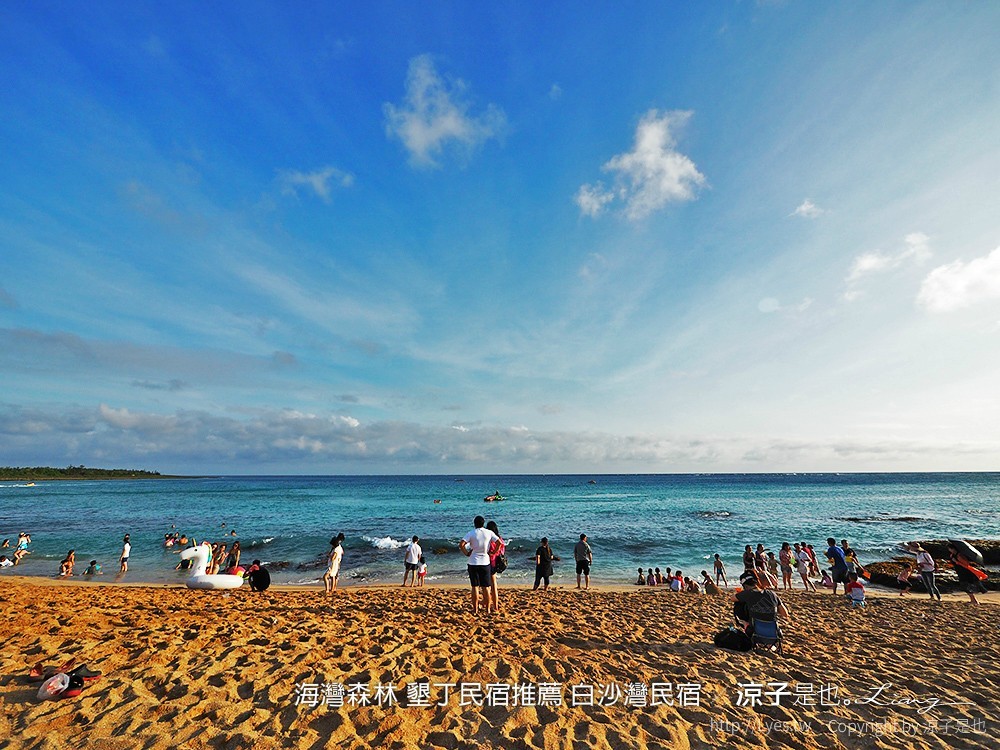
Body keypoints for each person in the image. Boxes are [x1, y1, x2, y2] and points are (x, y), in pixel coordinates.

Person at [459, 516, 499, 615]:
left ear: (474, 523)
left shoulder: (471, 533)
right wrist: (494, 552)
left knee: (475, 587)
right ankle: (488, 609)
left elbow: (461, 544)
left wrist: (466, 553)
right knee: (486, 587)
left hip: (473, 562)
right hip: (485, 562)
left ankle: (475, 609)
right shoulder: (488, 532)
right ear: (483, 523)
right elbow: (499, 542)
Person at [733, 571, 789, 636]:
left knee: (738, 604)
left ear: (745, 585)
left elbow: (732, 598)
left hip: (755, 632)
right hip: (773, 633)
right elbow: (785, 614)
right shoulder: (772, 594)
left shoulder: (746, 594)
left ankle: (745, 624)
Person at [486, 521, 507, 612]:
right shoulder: (500, 539)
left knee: (486, 585)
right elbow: (502, 551)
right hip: (496, 563)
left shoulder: (489, 539)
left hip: (488, 562)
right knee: (494, 585)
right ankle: (496, 606)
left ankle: (486, 603)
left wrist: (493, 553)